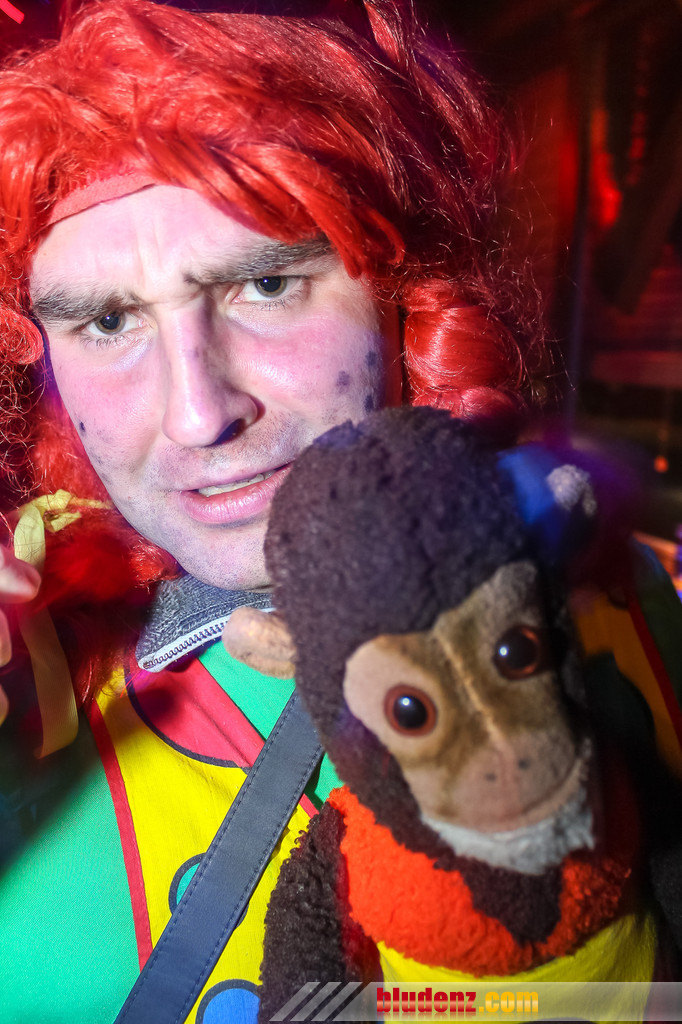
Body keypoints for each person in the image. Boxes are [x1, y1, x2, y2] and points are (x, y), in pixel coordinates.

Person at [0, 1, 677, 1022]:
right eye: (106, 320)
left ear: (405, 294)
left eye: (269, 283)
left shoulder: (629, 607)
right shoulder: (31, 664)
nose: (199, 414)